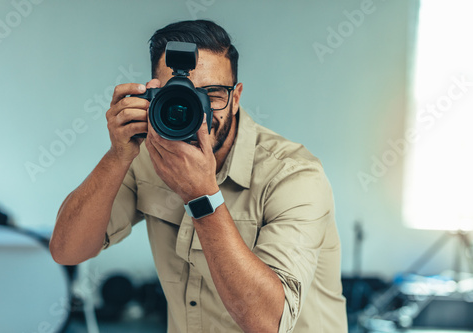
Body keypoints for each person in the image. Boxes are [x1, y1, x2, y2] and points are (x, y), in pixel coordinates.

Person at [49, 20, 347, 333]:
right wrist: (117, 156)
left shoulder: (293, 176)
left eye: (213, 94)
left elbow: (269, 323)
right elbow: (67, 250)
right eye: (182, 96)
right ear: (153, 95)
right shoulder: (145, 157)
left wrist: (202, 197)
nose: (198, 111)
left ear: (236, 97)